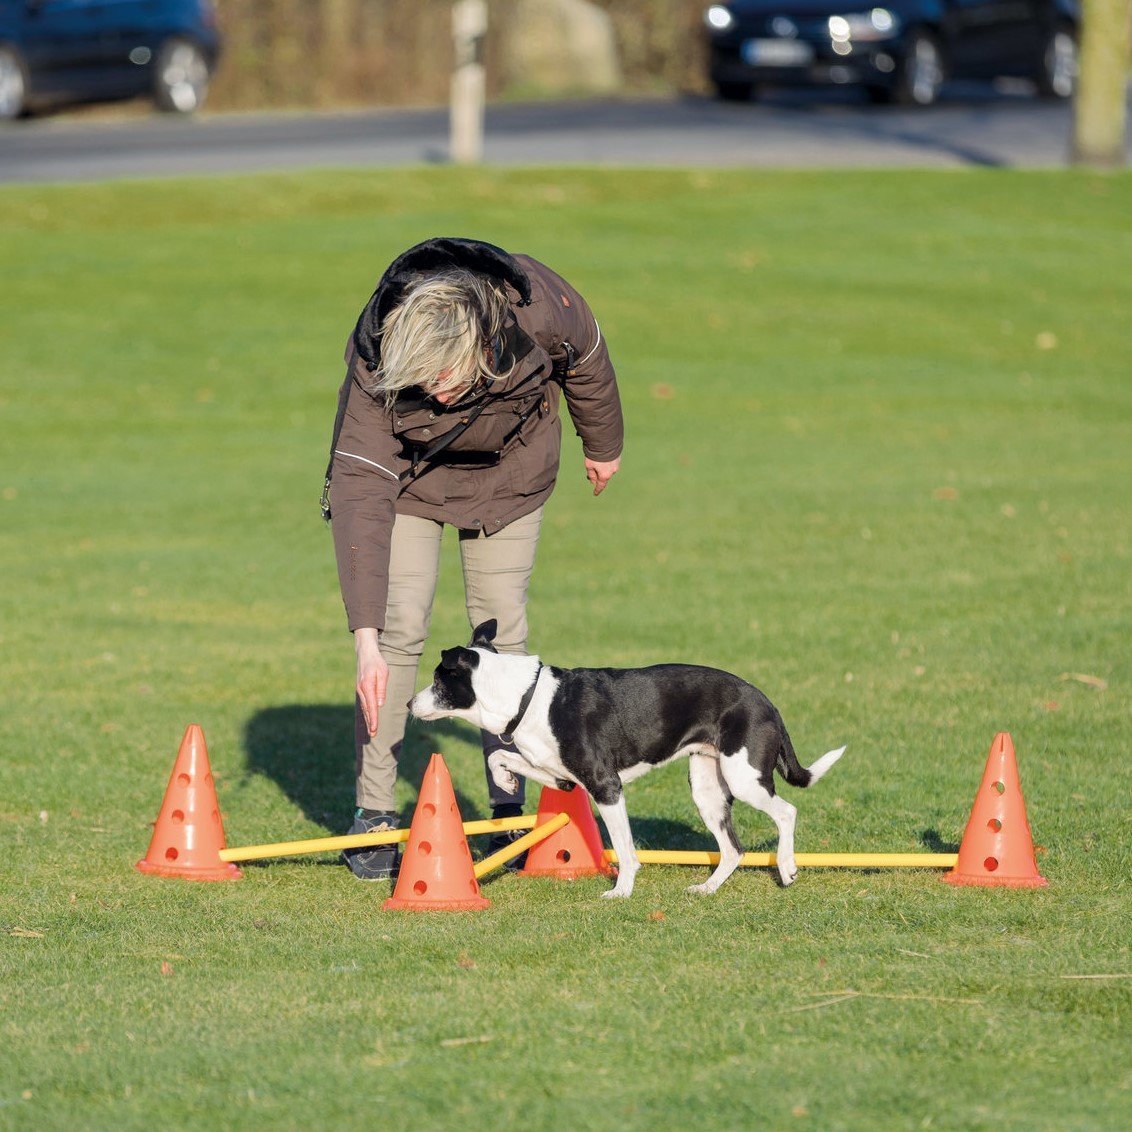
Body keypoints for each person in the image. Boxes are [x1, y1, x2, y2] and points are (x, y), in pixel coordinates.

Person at [323, 237, 623, 878]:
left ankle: (505, 810)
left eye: (445, 377)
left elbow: (589, 356)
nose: (434, 391)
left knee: (500, 628)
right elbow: (358, 486)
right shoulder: (378, 356)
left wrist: (603, 444)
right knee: (399, 629)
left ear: (482, 348)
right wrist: (364, 639)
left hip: (512, 473)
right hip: (409, 482)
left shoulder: (540, 306)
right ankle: (374, 814)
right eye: (421, 381)